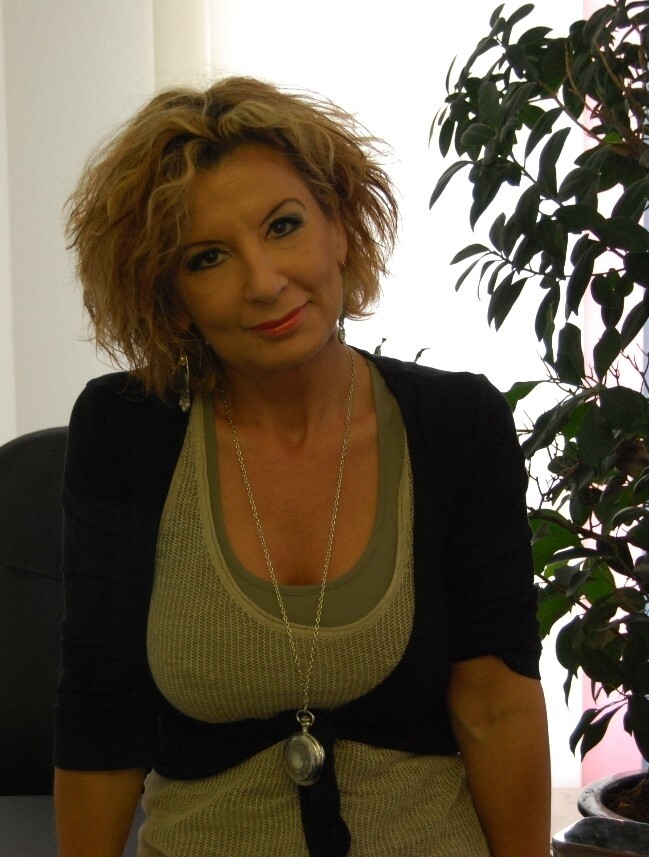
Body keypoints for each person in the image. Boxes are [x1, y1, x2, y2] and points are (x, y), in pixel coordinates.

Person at [53, 76, 550, 857]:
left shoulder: (457, 425)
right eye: (209, 257)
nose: (264, 282)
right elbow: (100, 711)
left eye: (283, 226)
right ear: (172, 299)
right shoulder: (127, 433)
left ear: (340, 228)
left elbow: (495, 702)